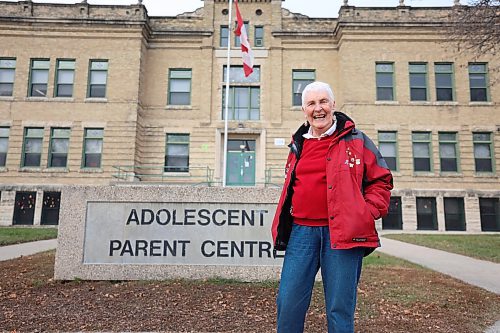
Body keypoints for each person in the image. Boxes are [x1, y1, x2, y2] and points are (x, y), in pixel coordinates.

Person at [271, 81, 393, 333]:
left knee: (339, 308)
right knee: (288, 302)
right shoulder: (298, 145)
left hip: (343, 235)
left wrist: (367, 212)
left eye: (323, 101)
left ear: (333, 105)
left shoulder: (357, 141)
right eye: (311, 103)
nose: (318, 109)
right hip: (301, 234)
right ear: (304, 109)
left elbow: (381, 180)